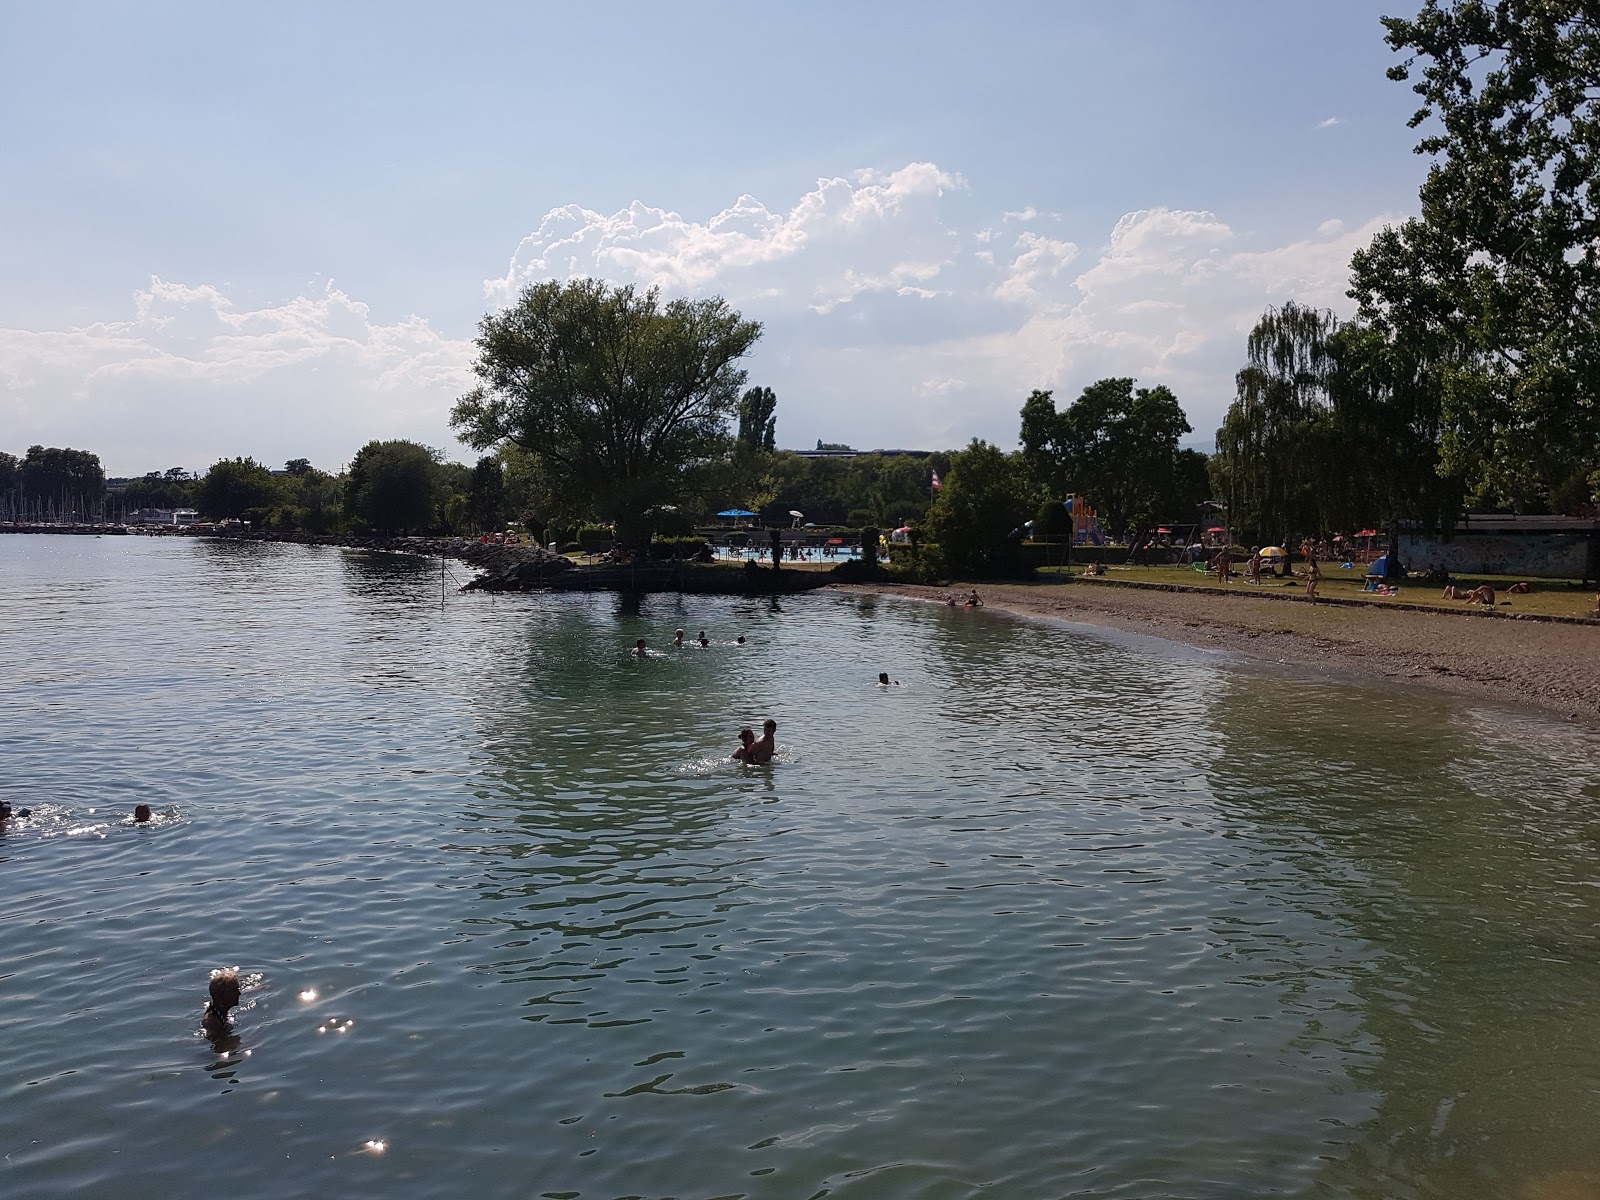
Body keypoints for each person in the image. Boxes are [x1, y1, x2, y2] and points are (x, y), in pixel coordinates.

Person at [201, 967, 242, 1036]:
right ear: (221, 996)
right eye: (234, 990)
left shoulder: (218, 1011)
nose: (239, 993)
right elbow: (218, 1045)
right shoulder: (212, 1024)